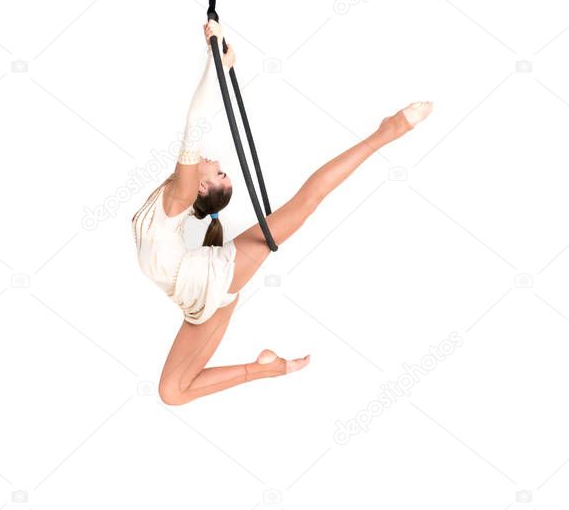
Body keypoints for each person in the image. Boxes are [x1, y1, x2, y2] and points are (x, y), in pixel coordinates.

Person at [132, 21, 433, 405]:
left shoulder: (181, 194)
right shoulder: (175, 197)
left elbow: (195, 121)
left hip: (213, 282)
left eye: (218, 169)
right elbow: (194, 124)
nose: (214, 160)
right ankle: (269, 368)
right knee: (172, 394)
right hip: (200, 304)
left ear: (201, 189)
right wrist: (217, 63)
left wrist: (216, 62)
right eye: (222, 169)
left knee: (304, 205)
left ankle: (389, 130)